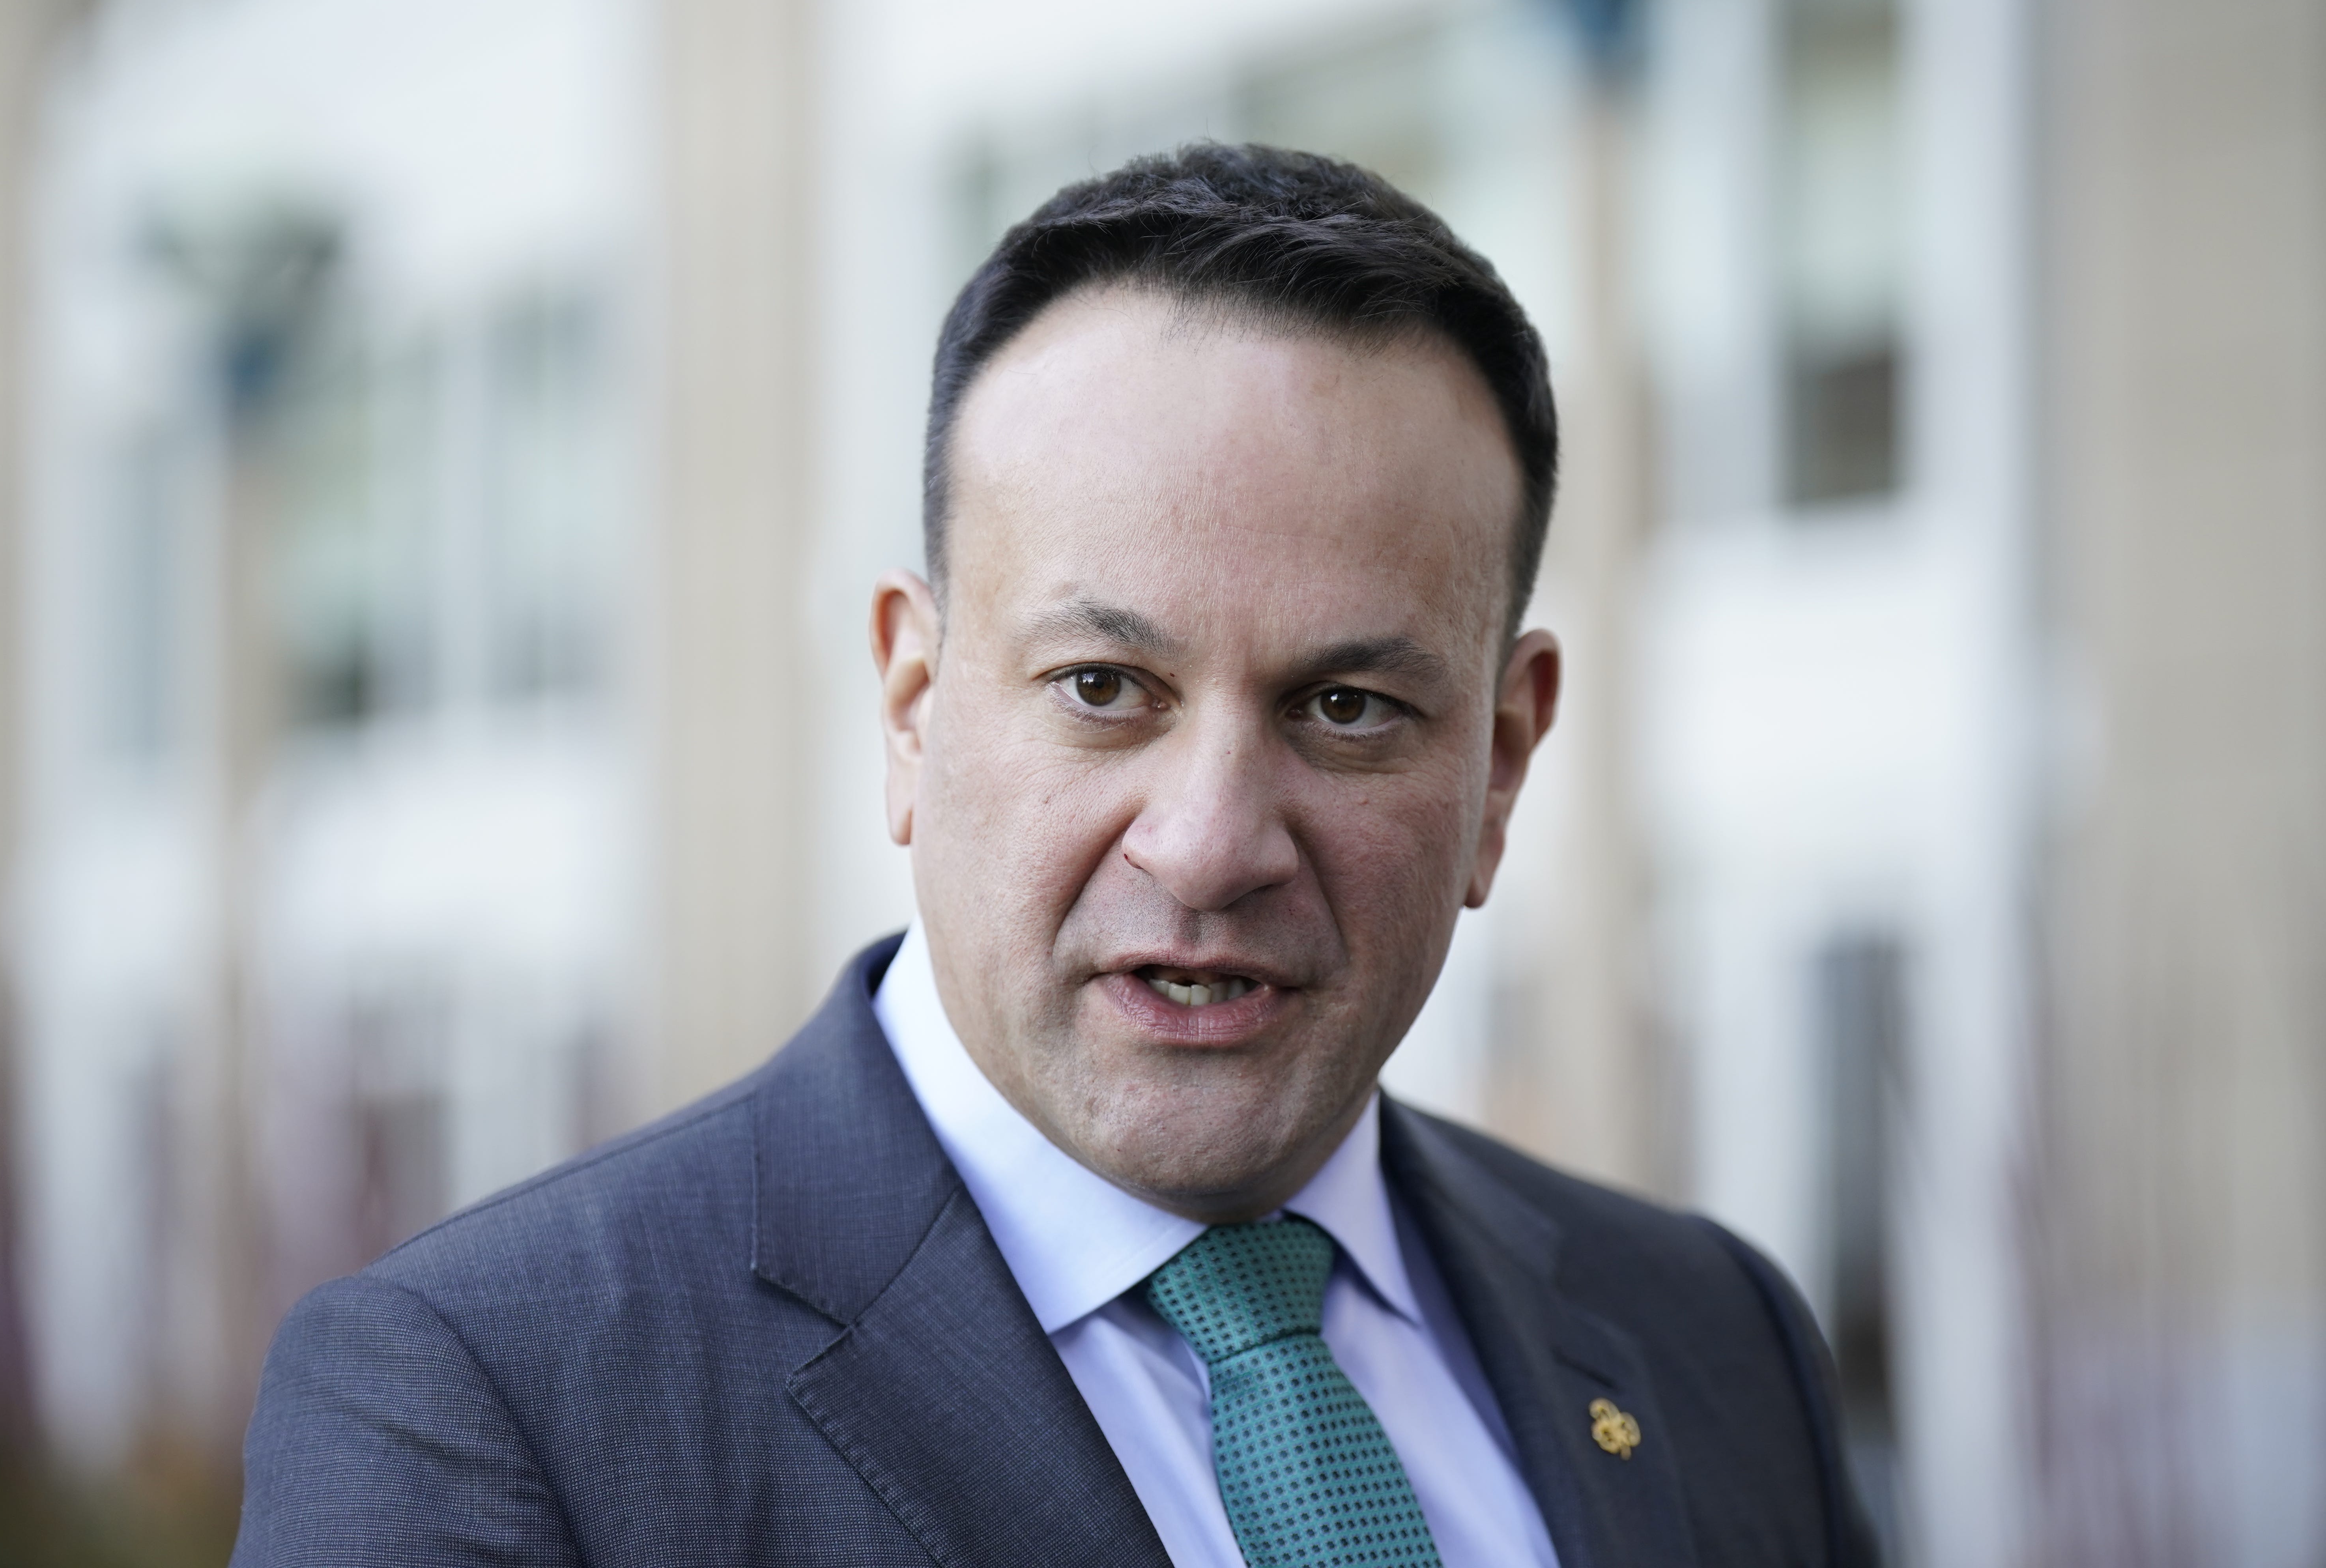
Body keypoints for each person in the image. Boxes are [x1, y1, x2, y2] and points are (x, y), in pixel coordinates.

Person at [232, 144, 1876, 1568]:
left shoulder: (1710, 1340)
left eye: (1351, 707)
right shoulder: (495, 1403)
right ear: (912, 702)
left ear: (1503, 760)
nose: (1213, 840)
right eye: (1106, 689)